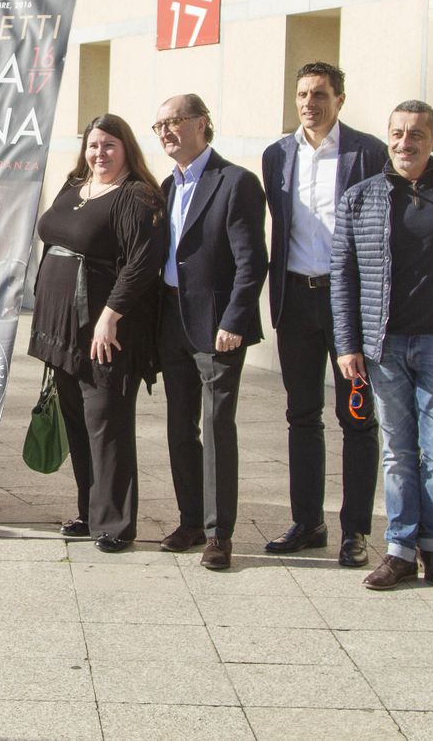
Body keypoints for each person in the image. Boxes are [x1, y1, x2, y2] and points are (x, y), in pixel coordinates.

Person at [331, 102, 433, 590]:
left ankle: (432, 549)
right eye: (396, 133)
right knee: (396, 451)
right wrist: (348, 344)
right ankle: (399, 550)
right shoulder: (361, 198)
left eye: (416, 134)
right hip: (383, 344)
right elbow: (343, 278)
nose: (404, 142)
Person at [261, 61, 386, 566]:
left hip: (347, 302)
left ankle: (354, 530)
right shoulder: (278, 155)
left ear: (340, 99)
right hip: (296, 299)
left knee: (355, 415)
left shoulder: (367, 152)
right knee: (301, 413)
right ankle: (307, 520)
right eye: (302, 94)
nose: (310, 103)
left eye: (320, 94)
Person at [29, 113, 165, 552]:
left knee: (106, 423)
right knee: (78, 422)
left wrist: (111, 314)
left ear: (126, 148)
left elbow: (142, 263)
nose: (99, 153)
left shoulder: (136, 196)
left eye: (109, 145)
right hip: (62, 328)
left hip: (104, 329)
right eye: (93, 145)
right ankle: (89, 512)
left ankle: (116, 524)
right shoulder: (75, 187)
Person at [153, 94, 265, 571]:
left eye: (174, 122)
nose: (165, 132)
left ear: (202, 124)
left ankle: (220, 535)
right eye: (159, 125)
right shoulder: (166, 186)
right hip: (171, 321)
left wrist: (235, 321)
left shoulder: (235, 182)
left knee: (217, 427)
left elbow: (251, 260)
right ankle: (191, 520)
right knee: (180, 425)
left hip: (217, 326)